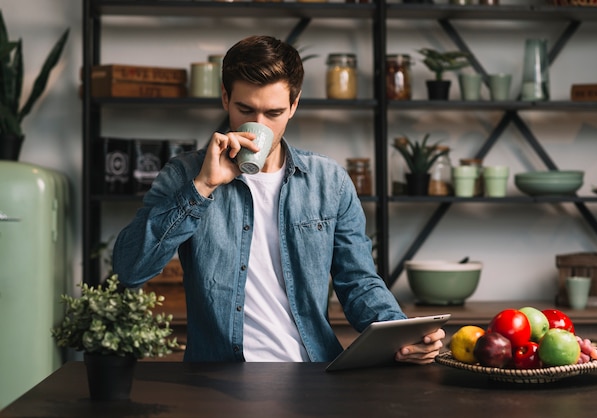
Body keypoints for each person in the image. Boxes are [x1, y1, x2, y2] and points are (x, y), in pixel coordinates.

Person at [112, 35, 445, 363]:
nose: (259, 126)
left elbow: (358, 282)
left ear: (294, 106)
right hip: (218, 377)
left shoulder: (329, 182)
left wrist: (402, 334)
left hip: (312, 372)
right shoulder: (185, 175)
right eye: (246, 109)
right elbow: (130, 269)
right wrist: (201, 188)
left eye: (273, 113)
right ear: (225, 98)